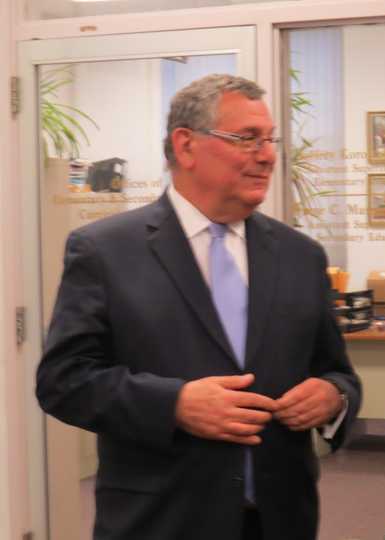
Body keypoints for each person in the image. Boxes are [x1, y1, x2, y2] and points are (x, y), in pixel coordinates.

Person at [36, 74, 362, 540]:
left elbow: (337, 372)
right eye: (246, 139)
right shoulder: (105, 252)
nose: (267, 155)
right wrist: (175, 404)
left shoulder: (301, 256)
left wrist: (333, 398)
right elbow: (63, 381)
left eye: (269, 140)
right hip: (160, 522)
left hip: (279, 520)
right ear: (186, 146)